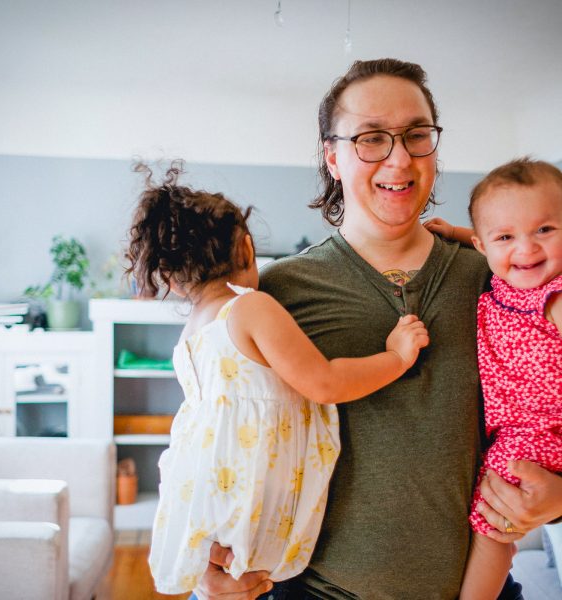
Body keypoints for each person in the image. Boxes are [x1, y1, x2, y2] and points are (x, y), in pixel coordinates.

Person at [193, 58, 562, 600]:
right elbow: (218, 431)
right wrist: (208, 563)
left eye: (417, 135)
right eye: (371, 138)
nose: (399, 157)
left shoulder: (505, 275)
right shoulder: (276, 293)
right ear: (332, 156)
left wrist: (559, 497)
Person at [125, 162, 429, 594]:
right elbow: (325, 382)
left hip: (208, 503)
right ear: (247, 249)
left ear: (173, 282)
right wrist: (396, 356)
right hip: (248, 507)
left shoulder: (193, 331)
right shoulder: (250, 307)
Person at [425, 158, 562, 600]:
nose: (526, 249)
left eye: (546, 230)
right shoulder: (504, 273)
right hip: (512, 430)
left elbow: (501, 236)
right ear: (483, 244)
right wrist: (455, 234)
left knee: (492, 524)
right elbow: (492, 236)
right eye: (507, 237)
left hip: (538, 435)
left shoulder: (555, 296)